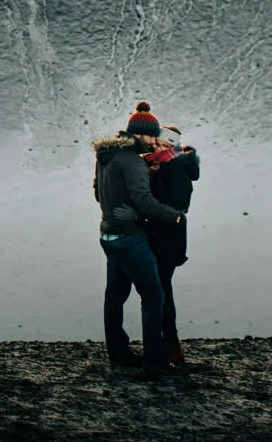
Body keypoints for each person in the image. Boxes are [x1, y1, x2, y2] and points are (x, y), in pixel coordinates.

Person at [92, 101, 186, 375]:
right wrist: (175, 216)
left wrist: (119, 209)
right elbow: (145, 201)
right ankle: (155, 360)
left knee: (115, 296)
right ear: (141, 134)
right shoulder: (132, 161)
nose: (155, 140)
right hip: (130, 238)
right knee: (153, 297)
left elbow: (99, 193)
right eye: (152, 135)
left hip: (108, 234)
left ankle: (118, 354)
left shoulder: (106, 156)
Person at [144, 125, 200, 368]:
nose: (152, 147)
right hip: (166, 236)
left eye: (157, 143)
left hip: (166, 238)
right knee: (162, 291)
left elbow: (175, 207)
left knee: (161, 291)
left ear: (166, 144)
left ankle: (170, 349)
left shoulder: (174, 168)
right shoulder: (170, 165)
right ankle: (168, 347)